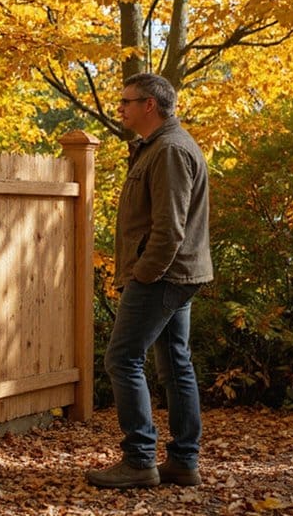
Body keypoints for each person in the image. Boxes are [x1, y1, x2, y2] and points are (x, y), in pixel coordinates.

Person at [86, 73, 213, 489]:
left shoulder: (170, 151)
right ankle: (183, 462)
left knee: (121, 359)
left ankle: (140, 460)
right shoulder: (157, 147)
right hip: (175, 274)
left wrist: (143, 274)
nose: (119, 108)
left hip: (163, 275)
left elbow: (169, 230)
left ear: (150, 106)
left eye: (126, 101)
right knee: (175, 364)